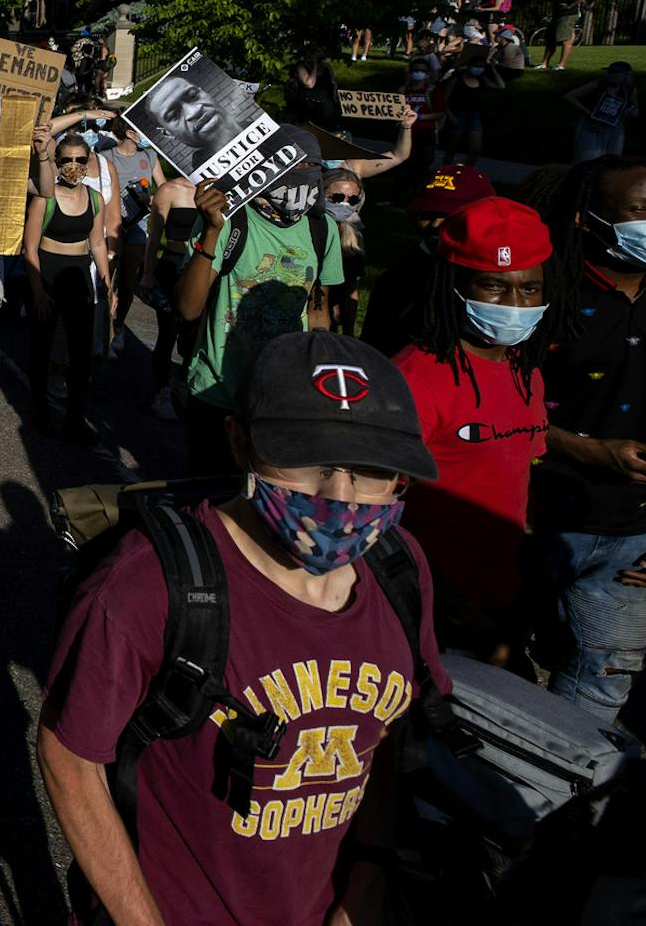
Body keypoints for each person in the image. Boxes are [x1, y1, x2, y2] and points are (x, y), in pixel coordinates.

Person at [39, 331, 449, 926]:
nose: (339, 497)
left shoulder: (400, 570)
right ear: (239, 441)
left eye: (369, 471)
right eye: (309, 462)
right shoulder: (146, 586)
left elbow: (381, 740)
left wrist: (367, 880)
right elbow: (68, 755)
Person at [529, 156, 646, 724]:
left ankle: (557, 794)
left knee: (604, 677)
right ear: (589, 219)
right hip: (534, 515)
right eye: (641, 209)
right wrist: (581, 448)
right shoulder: (540, 291)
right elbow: (499, 406)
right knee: (498, 657)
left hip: (641, 526)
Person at [392, 198, 552, 662]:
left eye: (530, 289)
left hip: (499, 594)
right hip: (429, 606)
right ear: (454, 286)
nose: (516, 306)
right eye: (493, 288)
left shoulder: (525, 368)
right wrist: (462, 617)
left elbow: (520, 471)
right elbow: (377, 518)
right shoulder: (415, 378)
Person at [174, 166, 342, 472]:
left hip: (282, 398)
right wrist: (211, 231)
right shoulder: (228, 218)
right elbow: (188, 308)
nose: (298, 183)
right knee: (210, 499)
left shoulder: (322, 229)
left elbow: (319, 311)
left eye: (309, 171)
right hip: (218, 392)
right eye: (291, 170)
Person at [25, 134, 114, 442]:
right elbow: (30, 248)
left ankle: (75, 418)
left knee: (81, 352)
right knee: (42, 346)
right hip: (47, 273)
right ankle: (40, 411)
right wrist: (38, 291)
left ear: (88, 162)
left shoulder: (94, 199)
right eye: (66, 160)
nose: (73, 166)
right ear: (57, 162)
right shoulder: (44, 197)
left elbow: (98, 242)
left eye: (80, 160)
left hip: (78, 277)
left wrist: (106, 280)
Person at [357, 163, 495, 359]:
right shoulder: (398, 281)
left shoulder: (501, 273)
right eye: (428, 214)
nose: (437, 224)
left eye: (450, 215)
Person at [98, 116, 163, 356]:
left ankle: (119, 326)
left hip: (137, 227)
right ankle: (101, 330)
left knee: (127, 283)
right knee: (106, 279)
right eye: (138, 127)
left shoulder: (149, 156)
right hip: (111, 226)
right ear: (126, 129)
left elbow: (163, 189)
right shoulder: (106, 157)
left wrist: (154, 199)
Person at [139, 171, 201, 423]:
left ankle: (183, 380)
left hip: (200, 267)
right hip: (172, 265)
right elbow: (154, 236)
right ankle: (161, 391)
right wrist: (147, 273)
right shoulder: (170, 190)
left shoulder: (218, 190)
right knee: (167, 332)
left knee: (195, 332)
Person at [319, 168, 366, 334]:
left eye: (352, 200)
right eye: (337, 197)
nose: (344, 204)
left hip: (329, 316)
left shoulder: (353, 236)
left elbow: (351, 287)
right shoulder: (303, 229)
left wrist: (348, 331)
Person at [566, 61, 638, 162]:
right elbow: (570, 96)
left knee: (612, 159)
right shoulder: (598, 85)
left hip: (614, 127)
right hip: (591, 125)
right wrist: (589, 113)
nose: (611, 75)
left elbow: (635, 109)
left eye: (615, 73)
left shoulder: (629, 90)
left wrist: (629, 112)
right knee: (588, 158)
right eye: (610, 72)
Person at [440, 56, 505, 166]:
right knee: (452, 148)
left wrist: (493, 69)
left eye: (481, 67)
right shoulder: (457, 80)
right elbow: (444, 100)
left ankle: (467, 173)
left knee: (475, 149)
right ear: (469, 66)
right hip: (457, 114)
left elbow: (500, 86)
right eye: (476, 66)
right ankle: (445, 171)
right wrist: (449, 115)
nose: (478, 69)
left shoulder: (482, 80)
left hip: (473, 115)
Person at [541, 0, 590, 71]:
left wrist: (571, 5)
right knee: (551, 39)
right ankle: (544, 63)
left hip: (567, 15)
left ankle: (561, 65)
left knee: (566, 40)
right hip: (558, 15)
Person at [284, 46, 340, 126]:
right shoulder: (301, 66)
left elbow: (333, 85)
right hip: (308, 104)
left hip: (325, 104)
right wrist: (315, 66)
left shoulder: (326, 67)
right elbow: (309, 84)